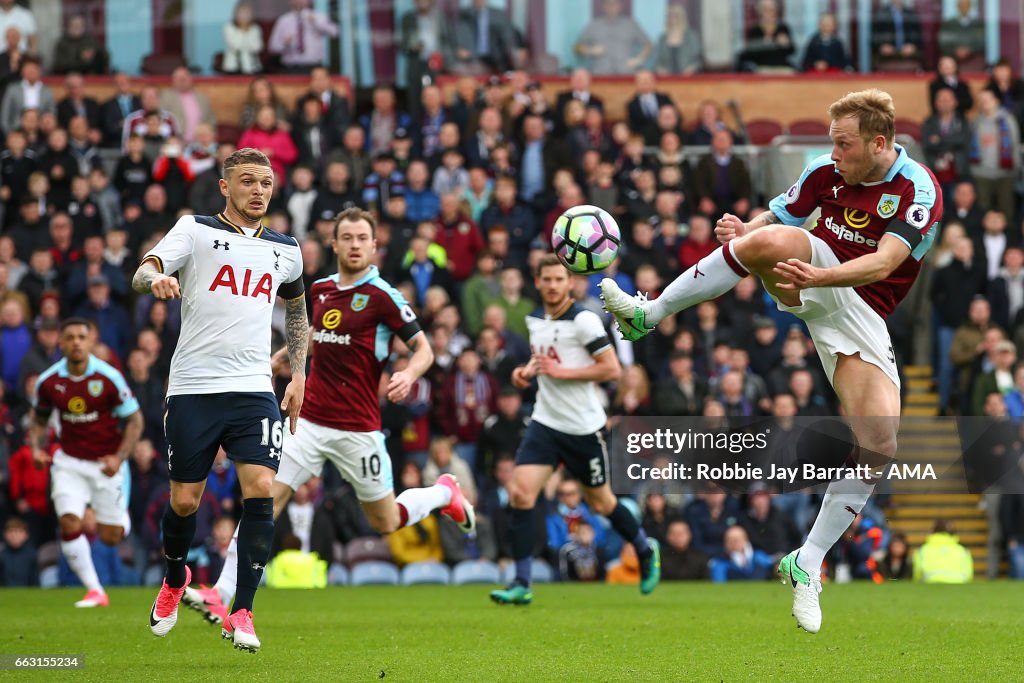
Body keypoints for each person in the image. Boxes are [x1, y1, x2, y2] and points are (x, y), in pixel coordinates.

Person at [601, 89, 942, 633]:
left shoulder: (916, 188)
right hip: (815, 268)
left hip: (860, 303)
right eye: (832, 142)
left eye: (844, 144)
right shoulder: (823, 171)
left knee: (880, 443)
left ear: (879, 143)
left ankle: (806, 563)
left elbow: (883, 263)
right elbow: (779, 215)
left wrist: (819, 277)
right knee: (771, 239)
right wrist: (747, 229)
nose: (833, 153)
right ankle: (650, 312)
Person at [183, 207, 473, 622]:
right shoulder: (318, 290)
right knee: (263, 498)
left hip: (359, 429)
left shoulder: (383, 296)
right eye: (347, 238)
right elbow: (316, 337)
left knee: (387, 520)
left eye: (362, 238)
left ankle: (445, 493)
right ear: (334, 243)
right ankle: (221, 592)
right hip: (309, 420)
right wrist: (284, 356)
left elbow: (424, 348)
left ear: (374, 246)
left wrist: (409, 372)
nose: (355, 245)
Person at [132, 148, 308, 652]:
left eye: (266, 182)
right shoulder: (195, 229)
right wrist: (159, 278)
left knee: (262, 490)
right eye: (248, 181)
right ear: (225, 187)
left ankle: (244, 610)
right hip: (193, 387)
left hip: (254, 390)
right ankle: (173, 578)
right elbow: (144, 270)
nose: (258, 190)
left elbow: (297, 313)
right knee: (185, 500)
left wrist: (298, 375)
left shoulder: (287, 248)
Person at [489, 255, 660, 606]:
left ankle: (644, 549)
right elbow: (544, 362)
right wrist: (525, 373)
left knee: (602, 504)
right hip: (545, 423)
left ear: (569, 283)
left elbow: (611, 369)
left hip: (583, 428)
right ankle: (522, 582)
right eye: (546, 279)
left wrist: (559, 372)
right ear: (536, 283)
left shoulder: (584, 320)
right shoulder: (535, 320)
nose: (552, 285)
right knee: (521, 493)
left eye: (558, 279)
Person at [31, 317, 143, 606]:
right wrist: (35, 448)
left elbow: (134, 420)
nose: (76, 342)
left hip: (106, 463)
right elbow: (39, 420)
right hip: (69, 462)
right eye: (70, 337)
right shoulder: (49, 382)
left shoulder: (108, 378)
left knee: (110, 537)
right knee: (69, 521)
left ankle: (121, 518)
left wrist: (119, 457)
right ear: (61, 342)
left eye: (82, 337)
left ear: (92, 341)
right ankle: (95, 590)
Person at [574, 0, 651, 75]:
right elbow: (577, 48)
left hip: (626, 74)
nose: (611, 7)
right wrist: (591, 50)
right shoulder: (593, 25)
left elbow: (648, 44)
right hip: (599, 75)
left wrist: (638, 59)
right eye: (608, 4)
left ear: (620, 6)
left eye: (614, 3)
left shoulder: (631, 24)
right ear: (603, 6)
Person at [267, 0, 339, 74]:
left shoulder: (318, 16)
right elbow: (272, 47)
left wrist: (316, 22)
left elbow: (334, 32)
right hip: (290, 68)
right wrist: (285, 44)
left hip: (314, 68)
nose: (299, 1)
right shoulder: (283, 20)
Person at [652, 4, 701, 75]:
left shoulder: (691, 37)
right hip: (667, 79)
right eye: (669, 16)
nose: (672, 19)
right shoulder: (662, 38)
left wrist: (691, 69)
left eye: (675, 16)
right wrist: (660, 70)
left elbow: (698, 60)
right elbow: (656, 61)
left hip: (687, 79)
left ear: (681, 17)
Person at [222, 0, 264, 75]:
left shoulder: (255, 28)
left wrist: (246, 31)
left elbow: (257, 47)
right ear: (235, 13)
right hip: (233, 67)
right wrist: (243, 30)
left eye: (247, 13)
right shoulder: (229, 27)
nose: (244, 16)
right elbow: (235, 45)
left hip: (253, 67)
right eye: (241, 13)